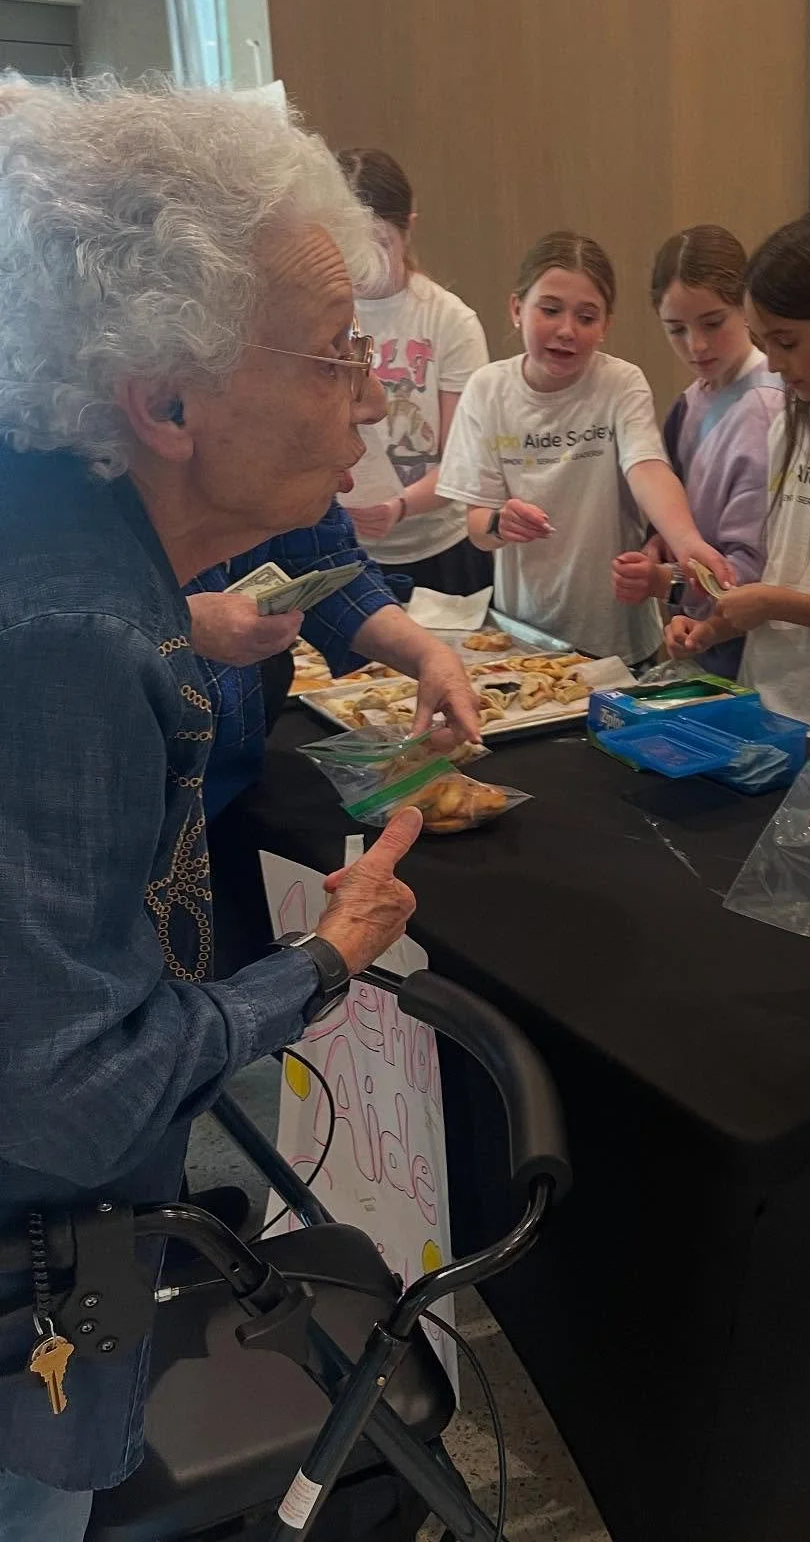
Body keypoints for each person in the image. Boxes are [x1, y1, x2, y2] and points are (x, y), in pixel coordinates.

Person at [0, 80, 429, 1534]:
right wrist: (326, 959)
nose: (365, 394)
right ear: (167, 402)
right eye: (329, 357)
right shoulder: (72, 635)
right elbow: (69, 1102)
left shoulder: (75, 550)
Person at [437, 230, 731, 664]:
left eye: (587, 317)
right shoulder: (488, 390)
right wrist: (501, 522)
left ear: (606, 325)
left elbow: (646, 466)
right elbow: (478, 527)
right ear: (518, 309)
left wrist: (685, 540)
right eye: (550, 310)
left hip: (618, 637)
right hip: (525, 638)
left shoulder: (619, 383)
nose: (566, 331)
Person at [666, 210, 810, 731]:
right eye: (762, 341)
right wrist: (714, 627)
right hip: (768, 707)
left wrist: (777, 603)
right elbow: (781, 576)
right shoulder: (791, 421)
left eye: (787, 342)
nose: (771, 363)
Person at [186, 501, 483, 821]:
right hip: (140, 799)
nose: (349, 484)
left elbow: (321, 561)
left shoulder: (286, 480)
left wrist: (429, 654)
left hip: (231, 774)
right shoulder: (125, 491)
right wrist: (178, 621)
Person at [611, 225, 784, 678]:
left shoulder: (765, 409)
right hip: (701, 637)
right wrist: (655, 547)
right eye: (676, 330)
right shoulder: (691, 401)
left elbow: (749, 568)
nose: (697, 345)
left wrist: (664, 582)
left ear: (746, 307)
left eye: (712, 323)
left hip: (747, 653)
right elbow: (673, 511)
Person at [335, 147, 493, 597]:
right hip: (347, 543)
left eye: (380, 243)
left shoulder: (449, 321)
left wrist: (400, 507)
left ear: (409, 228)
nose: (364, 262)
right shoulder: (324, 316)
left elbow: (464, 459)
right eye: (350, 245)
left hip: (440, 547)